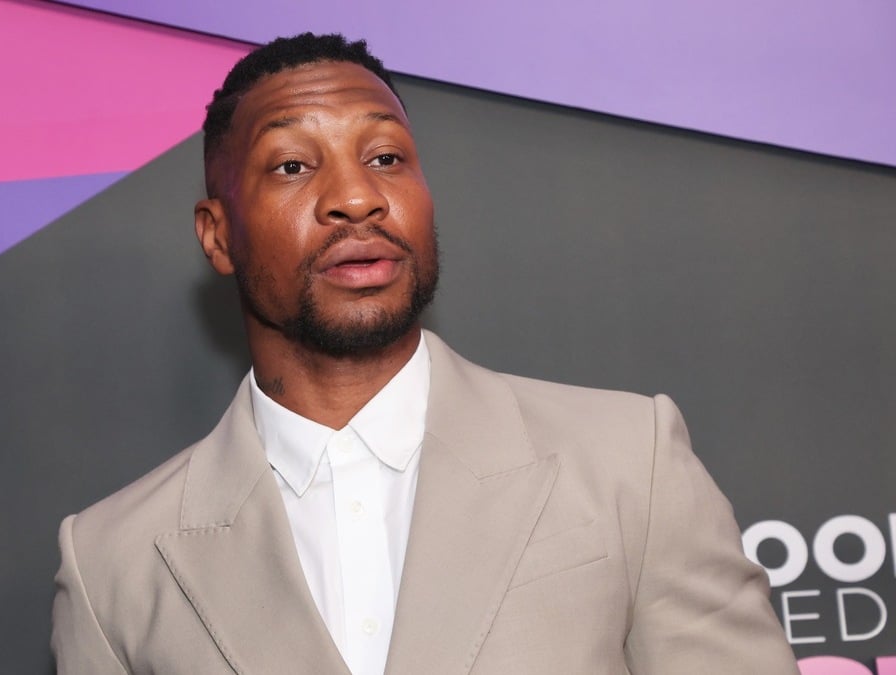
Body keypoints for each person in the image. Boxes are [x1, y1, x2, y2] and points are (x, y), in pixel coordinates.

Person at [51, 33, 799, 674]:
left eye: (385, 157)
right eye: (291, 166)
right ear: (217, 235)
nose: (356, 197)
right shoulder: (113, 561)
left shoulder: (630, 464)